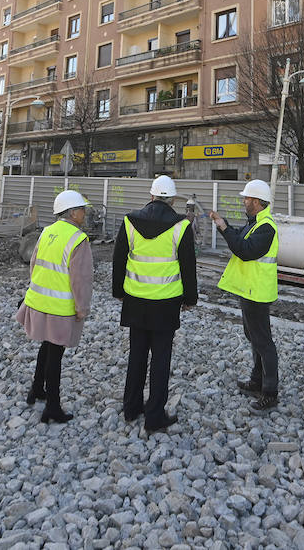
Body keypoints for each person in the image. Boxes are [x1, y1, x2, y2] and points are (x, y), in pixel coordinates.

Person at [112, 175, 197, 433]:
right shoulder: (181, 226)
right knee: (161, 359)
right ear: (171, 199)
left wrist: (119, 291)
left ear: (151, 196)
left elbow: (119, 259)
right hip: (165, 303)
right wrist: (189, 299)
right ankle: (154, 416)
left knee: (137, 354)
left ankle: (131, 407)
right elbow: (188, 267)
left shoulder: (129, 221)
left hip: (136, 300)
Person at [16, 189, 93, 424]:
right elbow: (81, 279)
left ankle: (37, 389)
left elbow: (34, 264)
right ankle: (52, 406)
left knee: (47, 348)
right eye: (82, 209)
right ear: (72, 213)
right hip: (60, 307)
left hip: (39, 301)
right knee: (56, 354)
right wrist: (82, 308)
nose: (84, 212)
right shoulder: (78, 239)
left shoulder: (47, 232)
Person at [210, 179, 280, 410]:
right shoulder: (255, 223)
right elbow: (238, 238)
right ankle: (257, 380)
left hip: (257, 292)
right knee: (254, 337)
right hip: (250, 290)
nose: (244, 201)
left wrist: (223, 227)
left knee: (263, 341)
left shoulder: (266, 227)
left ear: (258, 202)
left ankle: (269, 392)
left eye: (248, 198)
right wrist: (224, 225)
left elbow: (244, 250)